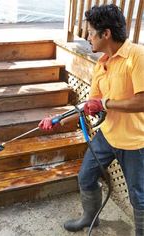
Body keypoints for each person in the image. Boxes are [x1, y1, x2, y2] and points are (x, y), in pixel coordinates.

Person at [38, 4, 144, 235]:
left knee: (139, 197)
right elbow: (90, 104)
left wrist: (105, 104)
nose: (87, 37)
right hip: (107, 134)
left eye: (90, 32)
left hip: (135, 142)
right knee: (86, 176)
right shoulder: (101, 63)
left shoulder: (137, 56)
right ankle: (90, 217)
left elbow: (142, 101)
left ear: (105, 34)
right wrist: (58, 120)